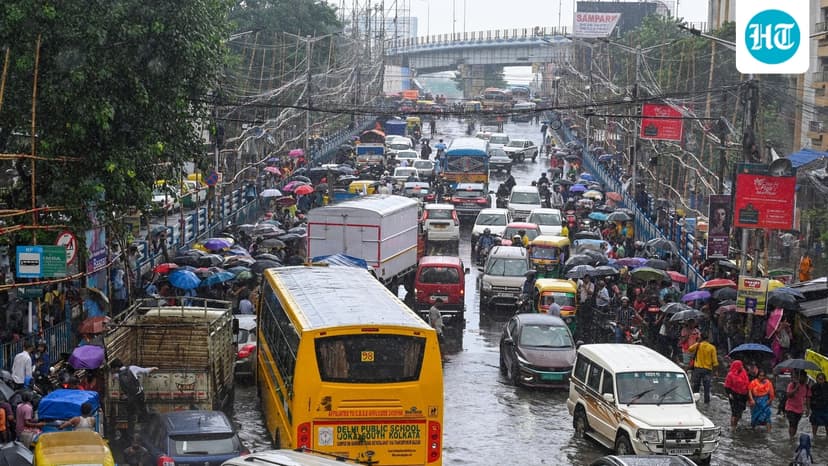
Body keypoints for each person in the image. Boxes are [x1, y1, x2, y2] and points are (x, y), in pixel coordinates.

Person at [110, 358, 158, 438]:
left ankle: (131, 434)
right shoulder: (132, 368)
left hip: (130, 398)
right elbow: (144, 371)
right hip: (139, 395)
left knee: (130, 416)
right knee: (143, 413)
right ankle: (147, 431)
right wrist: (153, 368)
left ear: (116, 368)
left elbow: (113, 377)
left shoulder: (118, 375)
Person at [687, 333, 718, 404]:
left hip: (697, 369)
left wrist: (698, 342)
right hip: (707, 370)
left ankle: (696, 401)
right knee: (707, 388)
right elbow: (715, 361)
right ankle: (706, 402)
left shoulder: (698, 345)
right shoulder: (712, 347)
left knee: (696, 386)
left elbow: (689, 349)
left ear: (701, 338)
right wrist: (716, 371)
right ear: (708, 339)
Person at [785, 371, 812, 439]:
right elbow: (788, 395)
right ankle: (791, 438)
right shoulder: (792, 384)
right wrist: (795, 389)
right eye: (802, 377)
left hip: (800, 409)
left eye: (805, 377)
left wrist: (808, 409)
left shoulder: (807, 387)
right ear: (799, 377)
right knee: (792, 424)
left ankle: (793, 436)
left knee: (796, 424)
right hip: (790, 408)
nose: (804, 379)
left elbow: (808, 398)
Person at [724, 360, 750, 429]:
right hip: (734, 395)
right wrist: (729, 393)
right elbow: (727, 386)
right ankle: (733, 427)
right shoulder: (730, 375)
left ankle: (736, 422)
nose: (741, 367)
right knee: (734, 412)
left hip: (743, 395)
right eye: (740, 365)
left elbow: (747, 383)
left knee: (740, 410)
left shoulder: (744, 372)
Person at [810, 372, 828, 437]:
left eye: (822, 379)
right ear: (816, 379)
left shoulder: (827, 386)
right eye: (819, 379)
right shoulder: (813, 387)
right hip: (816, 408)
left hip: (826, 408)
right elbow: (810, 397)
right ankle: (814, 437)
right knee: (814, 423)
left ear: (824, 379)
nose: (821, 380)